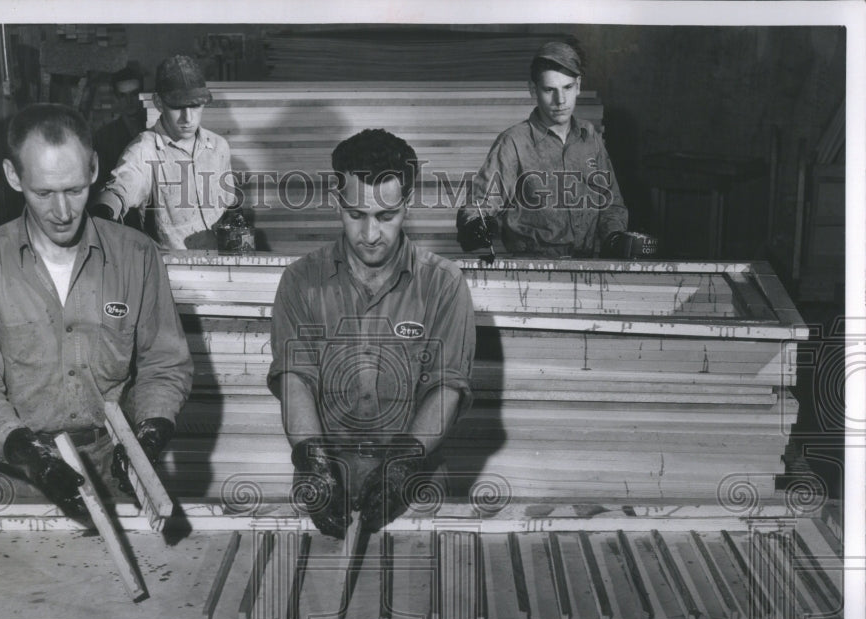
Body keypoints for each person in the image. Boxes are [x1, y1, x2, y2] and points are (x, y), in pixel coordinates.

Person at [0, 103, 193, 518]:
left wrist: (148, 435)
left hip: (116, 470)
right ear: (12, 176)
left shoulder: (137, 255)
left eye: (75, 190)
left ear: (94, 168)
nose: (62, 212)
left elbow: (164, 363)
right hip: (20, 481)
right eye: (43, 193)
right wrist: (29, 456)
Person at [268, 129, 476, 538]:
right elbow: (295, 380)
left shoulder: (444, 284)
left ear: (406, 204)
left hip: (416, 476)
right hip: (326, 475)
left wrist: (403, 463)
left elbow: (446, 386)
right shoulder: (299, 280)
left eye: (385, 216)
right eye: (355, 215)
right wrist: (314, 463)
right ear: (337, 201)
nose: (369, 235)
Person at [456, 40, 632, 258]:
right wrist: (475, 224)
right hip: (530, 271)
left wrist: (614, 237)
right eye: (549, 90)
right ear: (533, 90)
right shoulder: (514, 142)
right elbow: (480, 204)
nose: (560, 100)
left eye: (567, 88)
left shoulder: (590, 140)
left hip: (586, 267)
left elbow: (611, 205)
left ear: (578, 85)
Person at [91, 54, 237, 250]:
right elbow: (120, 189)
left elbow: (228, 206)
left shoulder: (219, 147)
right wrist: (103, 213)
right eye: (177, 107)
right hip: (173, 271)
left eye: (195, 106)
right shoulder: (144, 149)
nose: (188, 118)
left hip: (218, 268)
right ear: (158, 102)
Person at [92, 64, 147, 231]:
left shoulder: (155, 131)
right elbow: (99, 187)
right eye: (123, 96)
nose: (129, 102)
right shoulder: (104, 137)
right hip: (122, 224)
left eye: (134, 94)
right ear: (116, 98)